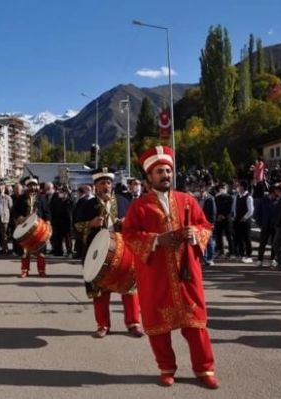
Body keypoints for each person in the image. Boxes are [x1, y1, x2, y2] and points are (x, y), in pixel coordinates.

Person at [122, 146, 219, 389]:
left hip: (187, 273)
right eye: (159, 171)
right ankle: (166, 368)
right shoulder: (139, 206)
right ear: (148, 178)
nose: (165, 175)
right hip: (156, 274)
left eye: (168, 170)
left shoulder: (187, 200)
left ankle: (204, 368)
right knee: (158, 326)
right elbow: (130, 235)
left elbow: (206, 226)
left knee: (195, 323)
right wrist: (156, 240)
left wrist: (194, 233)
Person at [74, 168, 143, 339]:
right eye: (102, 183)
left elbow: (136, 225)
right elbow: (76, 227)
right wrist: (90, 224)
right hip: (97, 253)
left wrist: (127, 223)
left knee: (129, 288)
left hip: (123, 252)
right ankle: (103, 325)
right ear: (95, 186)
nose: (106, 186)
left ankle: (133, 323)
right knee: (100, 291)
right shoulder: (86, 204)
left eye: (108, 183)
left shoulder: (123, 201)